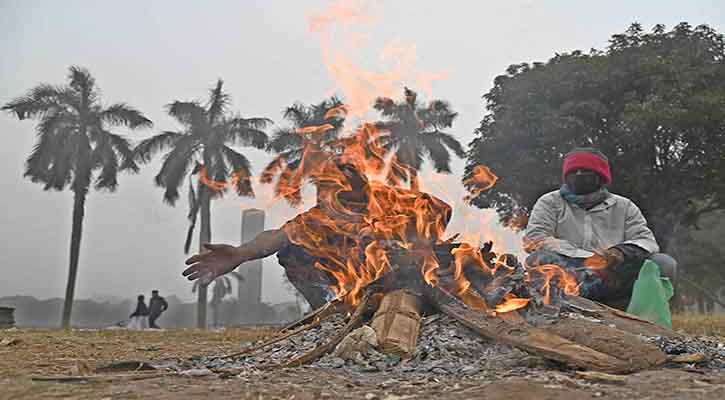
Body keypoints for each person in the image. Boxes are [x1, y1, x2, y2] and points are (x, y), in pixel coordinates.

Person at [183, 160, 451, 309]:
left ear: (365, 189)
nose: (335, 205)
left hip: (408, 273)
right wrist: (240, 253)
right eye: (327, 196)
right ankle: (330, 311)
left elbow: (442, 210)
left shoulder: (390, 199)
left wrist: (420, 243)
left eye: (349, 197)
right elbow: (276, 237)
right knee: (292, 252)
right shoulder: (319, 217)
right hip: (360, 283)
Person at [523, 147, 677, 309]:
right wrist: (590, 259)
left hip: (613, 276)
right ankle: (554, 310)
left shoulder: (624, 206)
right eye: (574, 172)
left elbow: (646, 241)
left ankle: (646, 317)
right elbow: (536, 238)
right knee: (538, 260)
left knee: (663, 263)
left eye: (586, 172)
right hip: (570, 272)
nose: (579, 175)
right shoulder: (549, 202)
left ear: (601, 177)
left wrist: (619, 253)